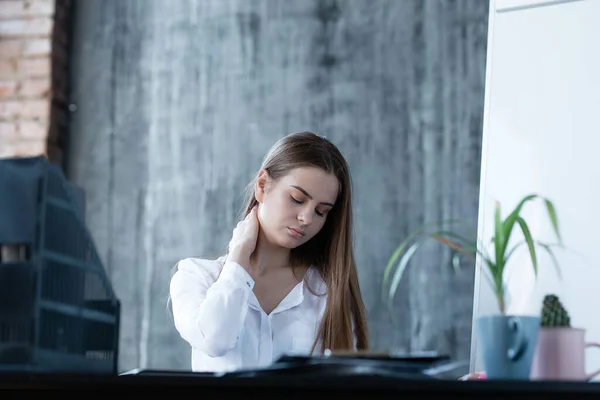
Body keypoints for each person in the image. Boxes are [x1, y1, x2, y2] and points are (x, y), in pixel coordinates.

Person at [169, 131, 369, 373]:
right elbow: (215, 341)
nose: (306, 218)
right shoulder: (197, 276)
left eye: (321, 211)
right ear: (262, 186)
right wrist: (239, 256)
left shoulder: (327, 290)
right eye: (297, 199)